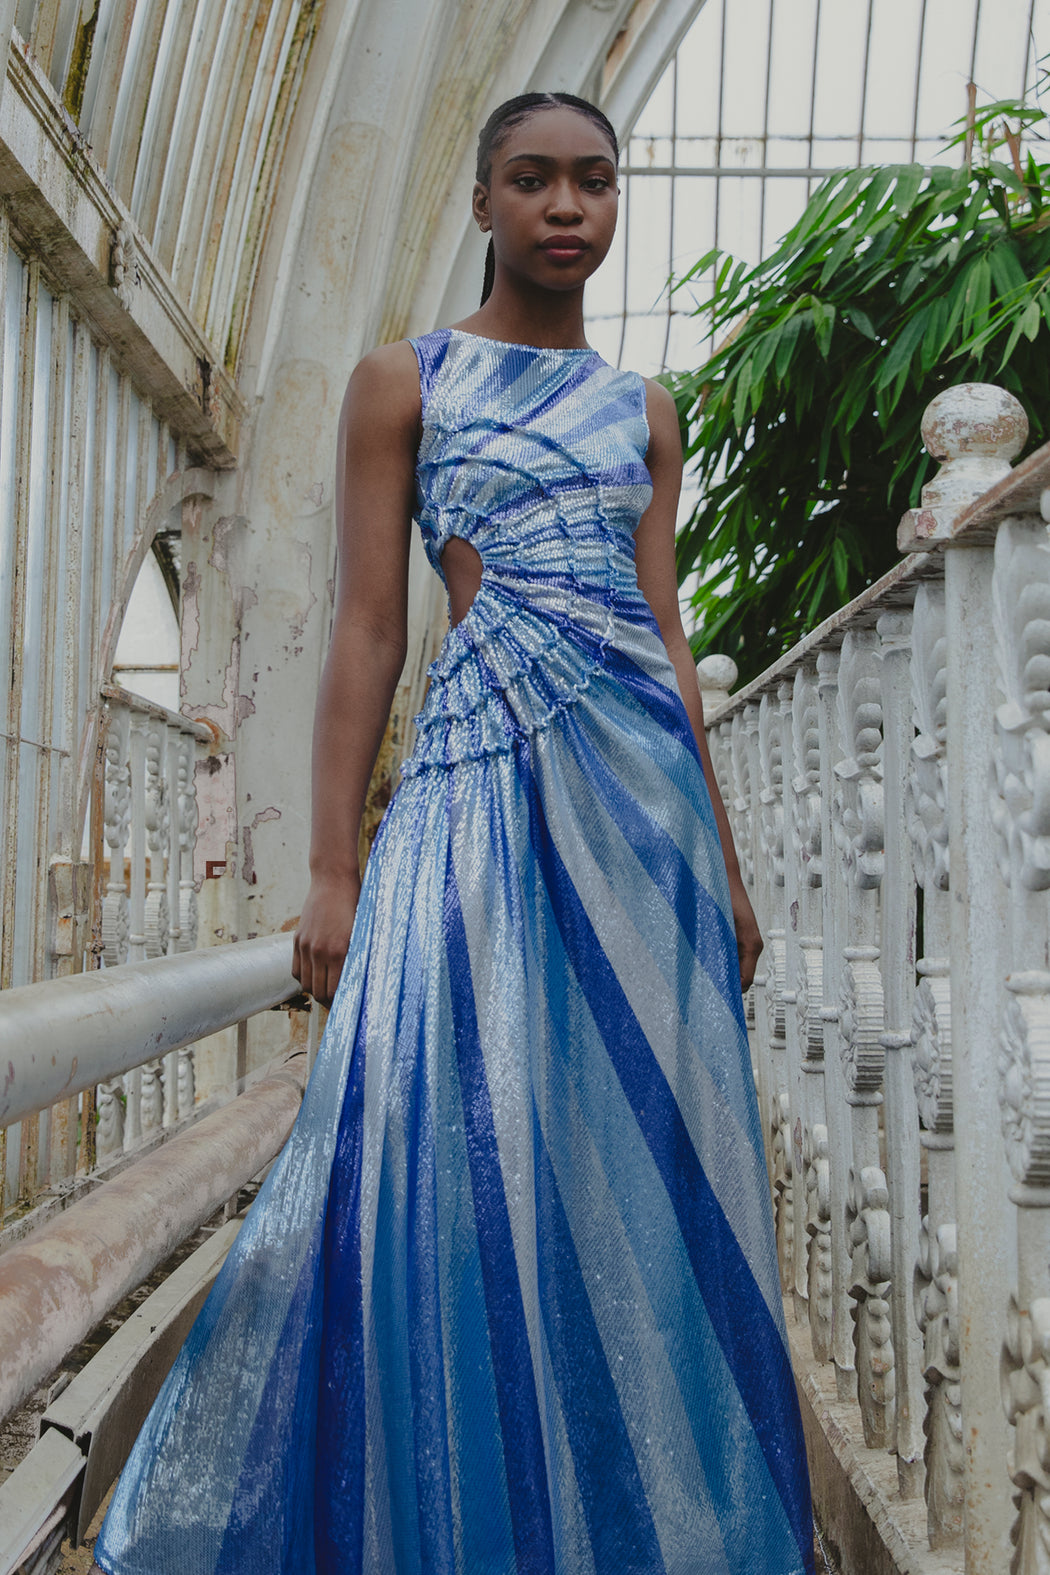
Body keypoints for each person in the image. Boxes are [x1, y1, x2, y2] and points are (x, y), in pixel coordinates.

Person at [94, 91, 814, 1575]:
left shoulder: (644, 412)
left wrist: (725, 865)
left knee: (626, 1153)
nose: (567, 207)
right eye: (533, 181)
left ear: (617, 202)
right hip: (475, 800)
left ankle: (623, 1528)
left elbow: (666, 637)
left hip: (641, 816)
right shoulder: (400, 383)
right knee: (429, 1135)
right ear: (481, 203)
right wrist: (334, 868)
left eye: (594, 182)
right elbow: (366, 625)